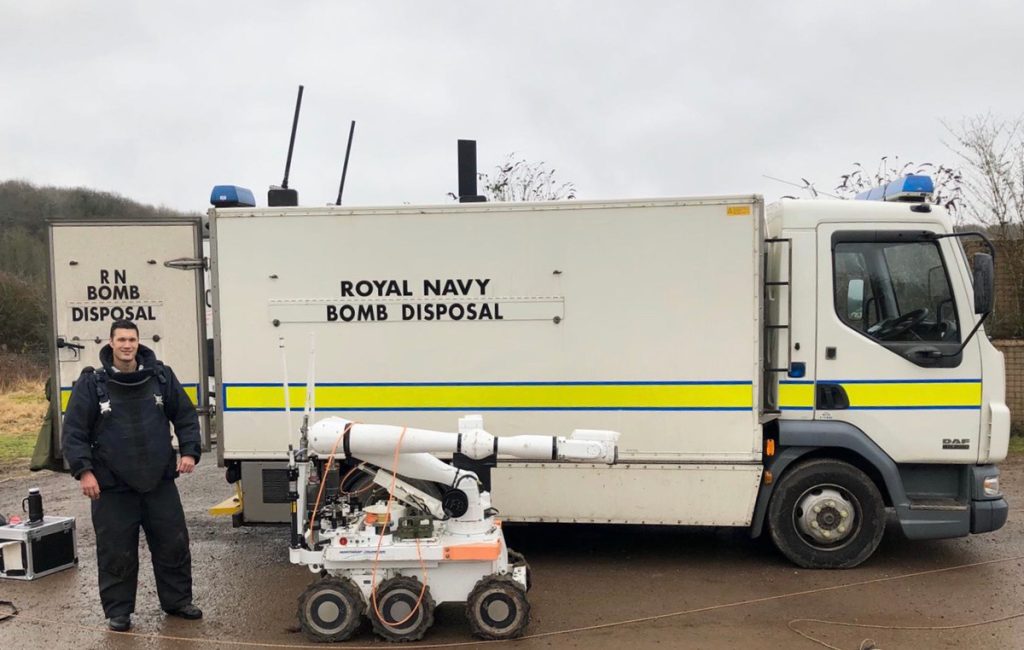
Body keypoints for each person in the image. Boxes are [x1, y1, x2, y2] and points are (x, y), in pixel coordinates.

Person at [61, 320, 203, 632]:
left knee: (173, 544)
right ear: (111, 343)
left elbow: (185, 415)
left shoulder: (161, 377)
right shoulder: (92, 384)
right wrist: (84, 472)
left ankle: (178, 601)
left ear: (139, 342)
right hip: (112, 487)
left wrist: (190, 450)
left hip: (159, 482)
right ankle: (119, 612)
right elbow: (73, 432)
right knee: (116, 550)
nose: (127, 345)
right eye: (121, 339)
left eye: (132, 339)